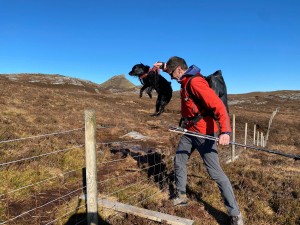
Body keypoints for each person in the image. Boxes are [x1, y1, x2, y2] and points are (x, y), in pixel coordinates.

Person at [154, 56, 244, 225]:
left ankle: (235, 214)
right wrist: (164, 66)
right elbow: (172, 69)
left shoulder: (195, 83)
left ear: (180, 70)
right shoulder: (184, 79)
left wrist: (225, 131)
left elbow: (218, 106)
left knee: (215, 173)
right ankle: (181, 195)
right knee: (179, 160)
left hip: (204, 134)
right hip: (190, 132)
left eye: (172, 73)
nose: (171, 77)